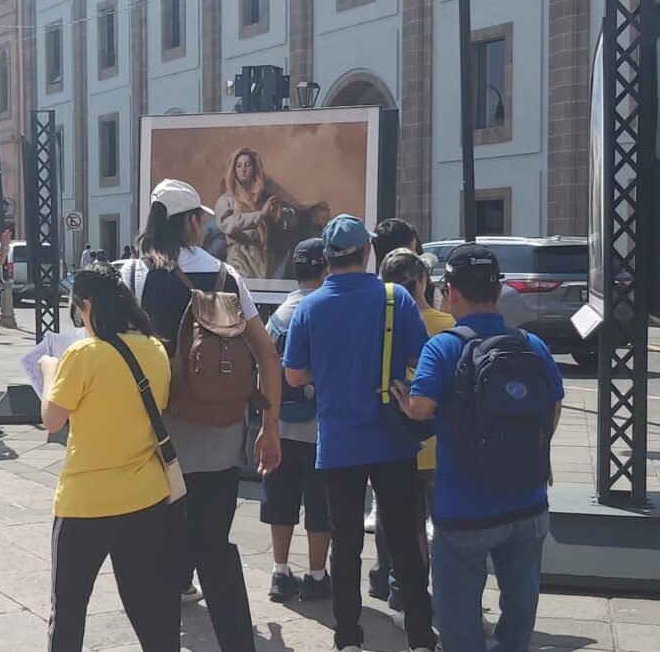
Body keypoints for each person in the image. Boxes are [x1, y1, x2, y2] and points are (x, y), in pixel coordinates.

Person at [119, 178, 282, 652]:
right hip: (220, 432)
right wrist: (270, 429)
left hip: (154, 437)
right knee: (214, 546)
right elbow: (267, 356)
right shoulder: (226, 276)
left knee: (159, 550)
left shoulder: (131, 276)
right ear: (191, 222)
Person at [391, 243, 563, 652]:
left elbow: (422, 407)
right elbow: (553, 407)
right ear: (498, 289)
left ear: (450, 291)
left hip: (465, 506)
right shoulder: (531, 344)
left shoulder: (444, 346)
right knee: (521, 605)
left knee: (458, 615)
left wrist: (406, 403)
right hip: (528, 501)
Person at [283, 214, 436, 652]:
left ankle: (348, 636)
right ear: (367, 251)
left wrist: (329, 369)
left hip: (338, 442)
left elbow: (294, 375)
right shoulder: (395, 298)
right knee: (404, 539)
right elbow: (421, 356)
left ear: (327, 257)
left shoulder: (310, 307)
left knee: (345, 542)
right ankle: (420, 637)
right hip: (391, 438)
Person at [38, 263, 180, 651]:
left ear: (86, 305)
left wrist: (50, 371)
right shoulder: (154, 347)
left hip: (87, 502)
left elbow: (52, 420)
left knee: (69, 610)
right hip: (145, 497)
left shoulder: (83, 353)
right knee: (149, 607)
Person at [378, 248, 456, 614]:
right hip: (440, 444)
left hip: (398, 442)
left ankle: (405, 597)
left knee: (404, 532)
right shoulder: (447, 324)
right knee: (447, 531)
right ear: (423, 280)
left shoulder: (381, 322)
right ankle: (449, 598)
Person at [262, 238, 332, 603]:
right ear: (326, 268)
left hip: (281, 427)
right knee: (320, 506)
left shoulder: (277, 317)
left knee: (280, 502)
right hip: (321, 430)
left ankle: (279, 571)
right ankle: (316, 576)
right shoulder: (327, 311)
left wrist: (267, 424)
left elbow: (264, 373)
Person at [214, 147, 330, 280]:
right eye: (239, 166)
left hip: (264, 255)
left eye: (248, 165)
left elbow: (288, 218)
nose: (243, 169)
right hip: (240, 255)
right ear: (233, 170)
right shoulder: (227, 200)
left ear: (255, 168)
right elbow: (227, 224)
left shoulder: (265, 197)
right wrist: (260, 215)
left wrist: (280, 218)